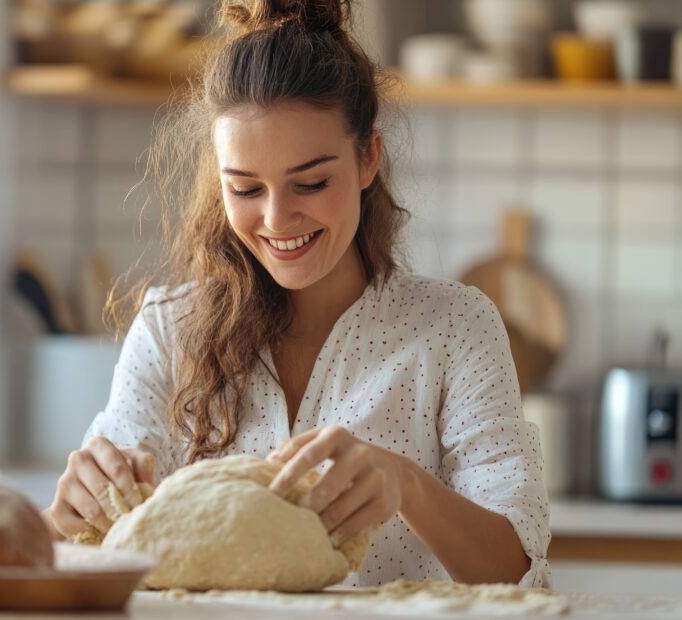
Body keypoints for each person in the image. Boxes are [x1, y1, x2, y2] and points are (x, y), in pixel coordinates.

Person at [44, 0, 550, 588]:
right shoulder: (167, 329)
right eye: (246, 188)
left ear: (368, 159)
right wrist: (70, 515)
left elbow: (518, 570)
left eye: (310, 182)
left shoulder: (455, 327)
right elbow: (93, 546)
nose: (278, 219)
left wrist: (405, 483)